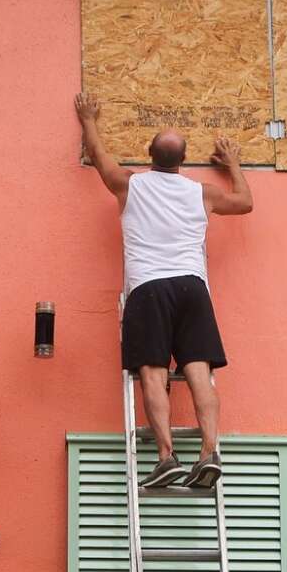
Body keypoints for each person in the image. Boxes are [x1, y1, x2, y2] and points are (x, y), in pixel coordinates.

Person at [74, 92, 254, 489]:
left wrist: (89, 119)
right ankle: (210, 451)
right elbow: (244, 203)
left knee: (153, 373)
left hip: (149, 287)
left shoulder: (130, 184)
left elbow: (100, 159)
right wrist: (234, 164)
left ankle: (166, 456)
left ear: (148, 154)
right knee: (199, 373)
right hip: (193, 287)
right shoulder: (201, 193)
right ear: (183, 160)